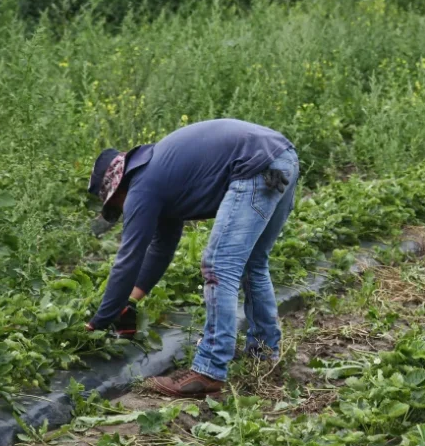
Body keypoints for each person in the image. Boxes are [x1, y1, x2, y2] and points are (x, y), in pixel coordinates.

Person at [86, 118, 299, 397]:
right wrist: (129, 302)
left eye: (117, 206)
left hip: (255, 167)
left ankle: (209, 370)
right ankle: (263, 353)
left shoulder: (142, 186)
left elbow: (129, 258)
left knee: (219, 265)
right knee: (252, 263)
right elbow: (160, 249)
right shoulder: (162, 176)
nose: (125, 211)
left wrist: (99, 321)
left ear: (119, 188)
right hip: (281, 159)